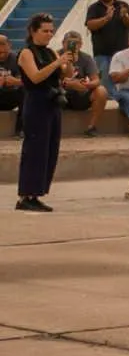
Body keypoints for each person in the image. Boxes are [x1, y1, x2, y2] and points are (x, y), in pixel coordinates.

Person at [14, 14, 72, 212]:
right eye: (45, 30)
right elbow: (35, 77)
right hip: (36, 102)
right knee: (35, 149)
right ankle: (26, 195)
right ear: (33, 31)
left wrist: (68, 61)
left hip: (52, 102)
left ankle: (37, 192)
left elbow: (65, 73)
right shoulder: (26, 53)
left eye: (51, 30)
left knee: (50, 149)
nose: (49, 34)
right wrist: (57, 63)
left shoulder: (51, 53)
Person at [82, 0, 129, 136]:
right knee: (105, 85)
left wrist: (124, 16)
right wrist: (106, 18)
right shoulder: (94, 8)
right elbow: (90, 25)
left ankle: (125, 105)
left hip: (121, 53)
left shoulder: (122, 5)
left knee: (123, 82)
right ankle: (118, 106)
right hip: (102, 52)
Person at [57, 31, 108, 136]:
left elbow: (96, 80)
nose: (73, 45)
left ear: (81, 45)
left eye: (76, 43)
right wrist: (68, 83)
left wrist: (86, 85)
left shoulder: (86, 58)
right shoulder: (56, 55)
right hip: (60, 94)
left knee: (101, 91)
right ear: (63, 43)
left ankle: (91, 127)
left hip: (80, 94)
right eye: (70, 42)